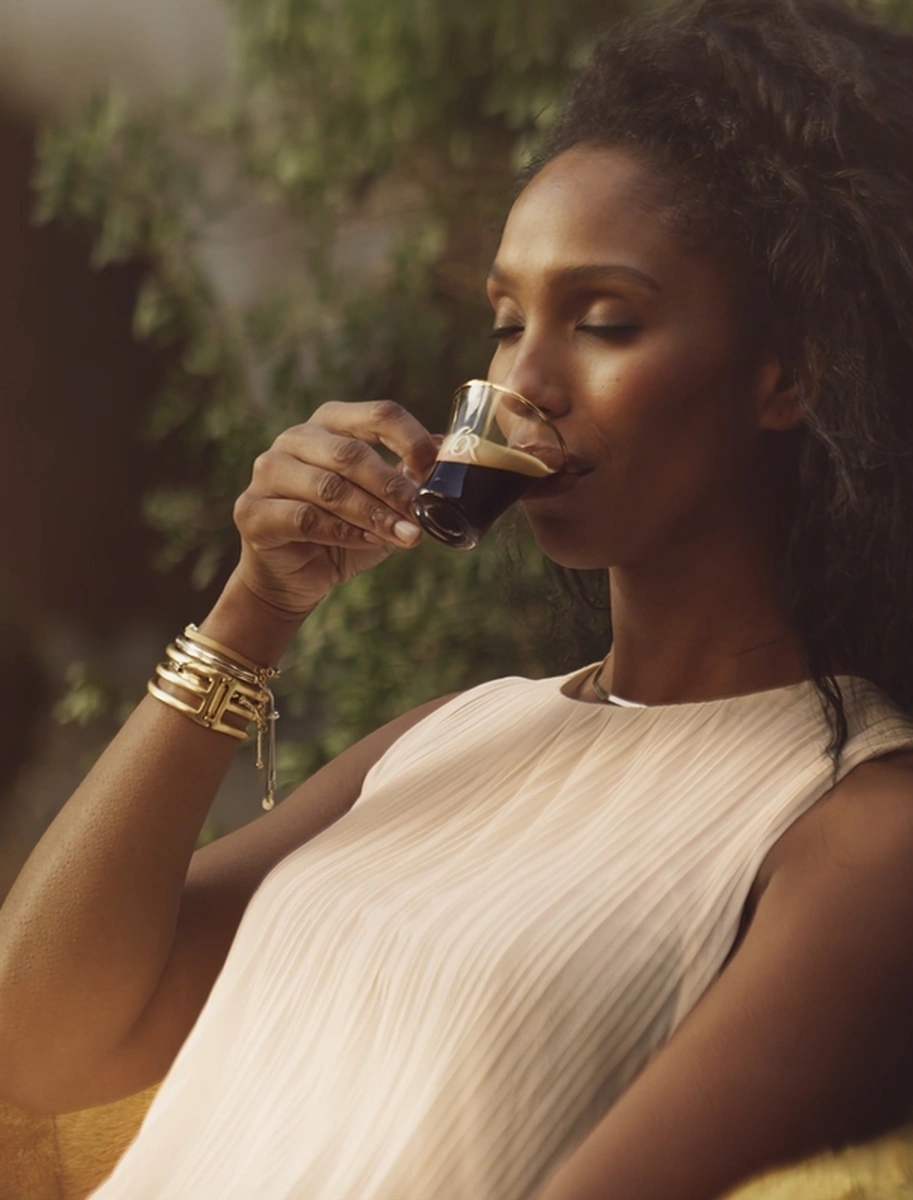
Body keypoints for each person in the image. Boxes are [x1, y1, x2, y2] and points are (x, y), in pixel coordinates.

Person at [2, 0, 913, 1196]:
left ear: (786, 370)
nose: (522, 385)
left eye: (603, 322)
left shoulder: (858, 834)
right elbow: (40, 1042)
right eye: (504, 323)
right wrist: (253, 610)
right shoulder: (456, 732)